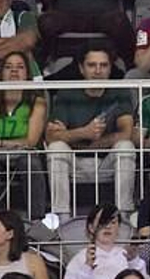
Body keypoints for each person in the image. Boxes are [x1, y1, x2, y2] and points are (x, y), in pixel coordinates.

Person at [45, 43, 137, 218]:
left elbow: (126, 133)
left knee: (125, 146)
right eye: (92, 65)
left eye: (104, 65)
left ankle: (123, 215)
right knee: (56, 148)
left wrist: (75, 138)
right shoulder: (67, 92)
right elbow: (51, 137)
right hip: (75, 162)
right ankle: (61, 217)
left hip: (106, 162)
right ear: (81, 68)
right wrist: (84, 133)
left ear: (110, 68)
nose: (98, 71)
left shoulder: (119, 91)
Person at [60, 206, 146, 279]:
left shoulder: (126, 256)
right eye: (102, 222)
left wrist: (133, 261)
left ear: (119, 228)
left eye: (113, 222)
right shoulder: (80, 259)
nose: (108, 226)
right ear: (91, 227)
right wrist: (86, 268)